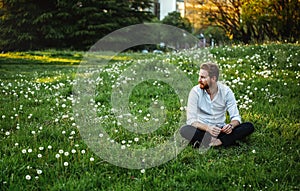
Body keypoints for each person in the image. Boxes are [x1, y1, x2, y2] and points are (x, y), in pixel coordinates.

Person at [180, 62, 254, 147]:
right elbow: (191, 120)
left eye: (203, 77)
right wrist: (208, 128)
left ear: (213, 78)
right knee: (185, 130)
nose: (199, 80)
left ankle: (217, 141)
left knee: (249, 126)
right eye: (199, 76)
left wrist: (230, 126)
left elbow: (236, 118)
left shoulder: (226, 92)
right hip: (203, 130)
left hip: (221, 130)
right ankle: (225, 141)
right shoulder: (195, 92)